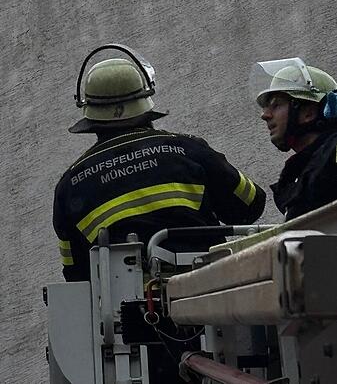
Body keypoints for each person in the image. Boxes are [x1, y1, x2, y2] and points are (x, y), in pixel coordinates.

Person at [53, 45, 266, 281]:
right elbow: (251, 204)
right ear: (146, 99)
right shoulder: (190, 150)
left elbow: (75, 275)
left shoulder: (69, 186)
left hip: (129, 315)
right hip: (211, 296)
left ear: (89, 113)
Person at [254, 57, 337, 221]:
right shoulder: (299, 170)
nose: (265, 115)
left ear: (308, 113)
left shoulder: (333, 152)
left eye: (276, 105)